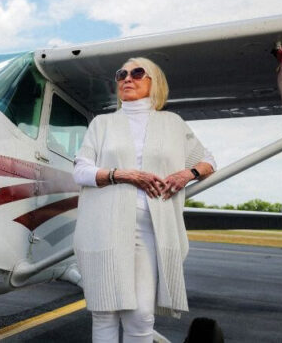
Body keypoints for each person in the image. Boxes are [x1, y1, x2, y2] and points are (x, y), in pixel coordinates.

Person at [72, 57, 216, 343]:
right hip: (103, 227)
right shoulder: (102, 124)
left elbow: (208, 160)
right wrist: (121, 174)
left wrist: (188, 174)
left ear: (155, 82)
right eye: (121, 74)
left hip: (150, 229)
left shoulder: (172, 123)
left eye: (138, 73)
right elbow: (81, 170)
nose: (128, 78)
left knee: (140, 315)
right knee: (104, 313)